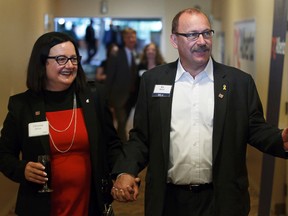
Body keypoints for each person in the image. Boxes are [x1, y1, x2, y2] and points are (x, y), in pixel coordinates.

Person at [110, 8, 288, 216]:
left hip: (221, 201)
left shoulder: (239, 82)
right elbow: (141, 137)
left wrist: (280, 139)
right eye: (193, 35)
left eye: (206, 33)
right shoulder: (153, 80)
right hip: (168, 201)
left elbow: (256, 129)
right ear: (175, 40)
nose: (202, 41)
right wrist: (126, 170)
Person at [0, 31, 122, 216]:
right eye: (61, 59)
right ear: (42, 62)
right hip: (41, 205)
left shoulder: (94, 96)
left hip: (90, 203)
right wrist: (21, 169)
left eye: (74, 59)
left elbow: (112, 144)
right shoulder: (22, 106)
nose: (70, 65)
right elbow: (3, 154)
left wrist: (122, 174)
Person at [105, 27, 139, 141]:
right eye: (128, 37)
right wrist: (108, 98)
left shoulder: (136, 54)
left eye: (133, 37)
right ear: (124, 39)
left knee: (124, 123)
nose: (131, 39)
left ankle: (119, 144)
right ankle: (123, 146)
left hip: (132, 96)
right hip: (118, 96)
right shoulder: (116, 54)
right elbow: (110, 77)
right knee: (122, 121)